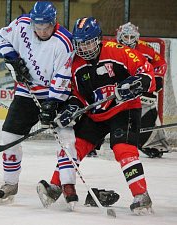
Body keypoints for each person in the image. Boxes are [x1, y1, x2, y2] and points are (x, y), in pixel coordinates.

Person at [38, 17, 155, 215]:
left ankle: (141, 195)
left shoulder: (118, 51)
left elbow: (146, 71)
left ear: (98, 39)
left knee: (123, 148)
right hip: (97, 113)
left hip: (123, 109)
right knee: (75, 146)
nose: (84, 48)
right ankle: (56, 186)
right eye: (80, 43)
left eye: (89, 42)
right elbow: (79, 97)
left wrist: (136, 84)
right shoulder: (75, 65)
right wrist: (71, 110)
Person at [0, 1, 74, 204]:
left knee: (67, 139)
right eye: (38, 27)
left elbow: (62, 76)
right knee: (9, 135)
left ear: (54, 22)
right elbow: (3, 36)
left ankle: (68, 185)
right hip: (27, 91)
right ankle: (10, 183)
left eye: (46, 27)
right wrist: (12, 59)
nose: (42, 31)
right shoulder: (21, 25)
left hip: (55, 94)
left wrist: (52, 103)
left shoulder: (64, 42)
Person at [116, 22, 171, 158]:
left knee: (148, 106)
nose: (128, 41)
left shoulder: (145, 48)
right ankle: (93, 142)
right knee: (102, 109)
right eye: (125, 37)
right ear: (119, 36)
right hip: (116, 86)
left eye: (131, 37)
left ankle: (152, 143)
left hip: (137, 87)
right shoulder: (111, 47)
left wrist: (157, 78)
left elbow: (160, 63)